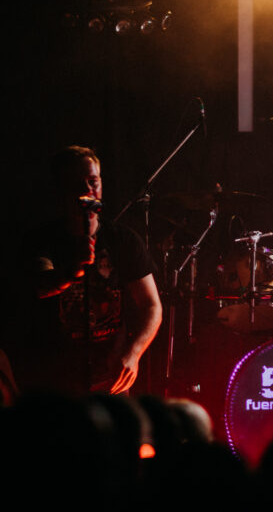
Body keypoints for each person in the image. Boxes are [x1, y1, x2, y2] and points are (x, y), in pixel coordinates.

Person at [13, 146, 162, 395]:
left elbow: (152, 305)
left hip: (110, 379)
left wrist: (134, 353)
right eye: (76, 184)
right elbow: (40, 284)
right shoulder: (41, 240)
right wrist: (72, 270)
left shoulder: (123, 240)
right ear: (61, 191)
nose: (87, 190)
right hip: (54, 381)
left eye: (93, 181)